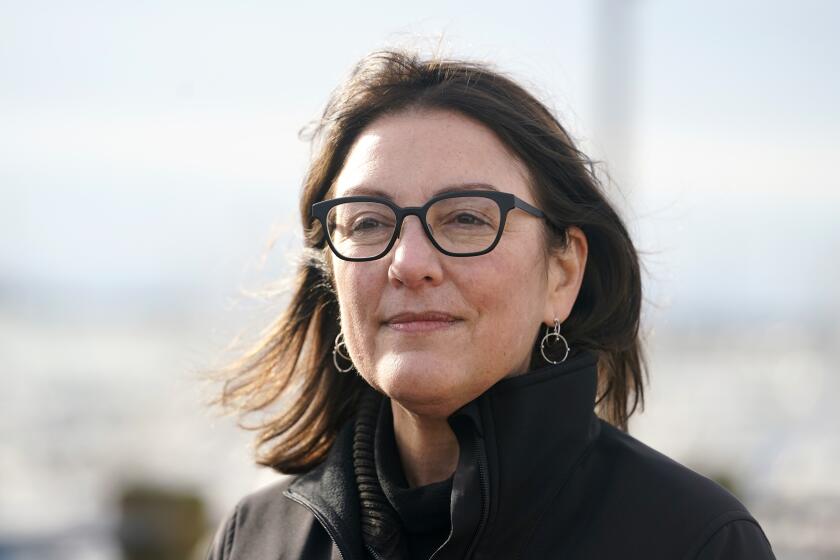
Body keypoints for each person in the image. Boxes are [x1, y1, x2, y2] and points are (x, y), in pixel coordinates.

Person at [206, 49, 776, 559]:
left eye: (465, 218)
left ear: (563, 273)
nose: (407, 262)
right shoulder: (258, 539)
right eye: (369, 222)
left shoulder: (693, 541)